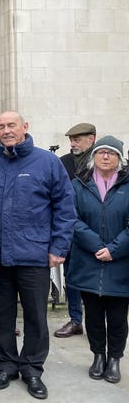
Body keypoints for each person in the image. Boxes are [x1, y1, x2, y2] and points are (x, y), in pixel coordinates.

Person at [0, 111, 76, 400]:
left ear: (25, 128)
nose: (6, 130)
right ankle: (6, 365)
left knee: (35, 316)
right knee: (2, 316)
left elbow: (65, 207)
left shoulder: (47, 162)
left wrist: (59, 248)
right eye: (2, 127)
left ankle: (32, 368)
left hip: (34, 255)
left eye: (12, 125)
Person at [67, 135, 129, 384]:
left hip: (121, 262)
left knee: (117, 317)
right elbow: (71, 218)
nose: (105, 156)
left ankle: (114, 359)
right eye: (101, 152)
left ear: (119, 159)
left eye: (111, 153)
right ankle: (98, 356)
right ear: (94, 157)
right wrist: (96, 245)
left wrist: (115, 249)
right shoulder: (79, 184)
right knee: (92, 315)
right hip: (88, 261)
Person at [54, 123, 96, 338]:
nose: (72, 144)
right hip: (71, 229)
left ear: (91, 138)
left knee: (96, 277)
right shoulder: (64, 162)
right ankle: (75, 320)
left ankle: (98, 321)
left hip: (96, 232)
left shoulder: (102, 160)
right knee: (71, 276)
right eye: (71, 139)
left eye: (77, 139)